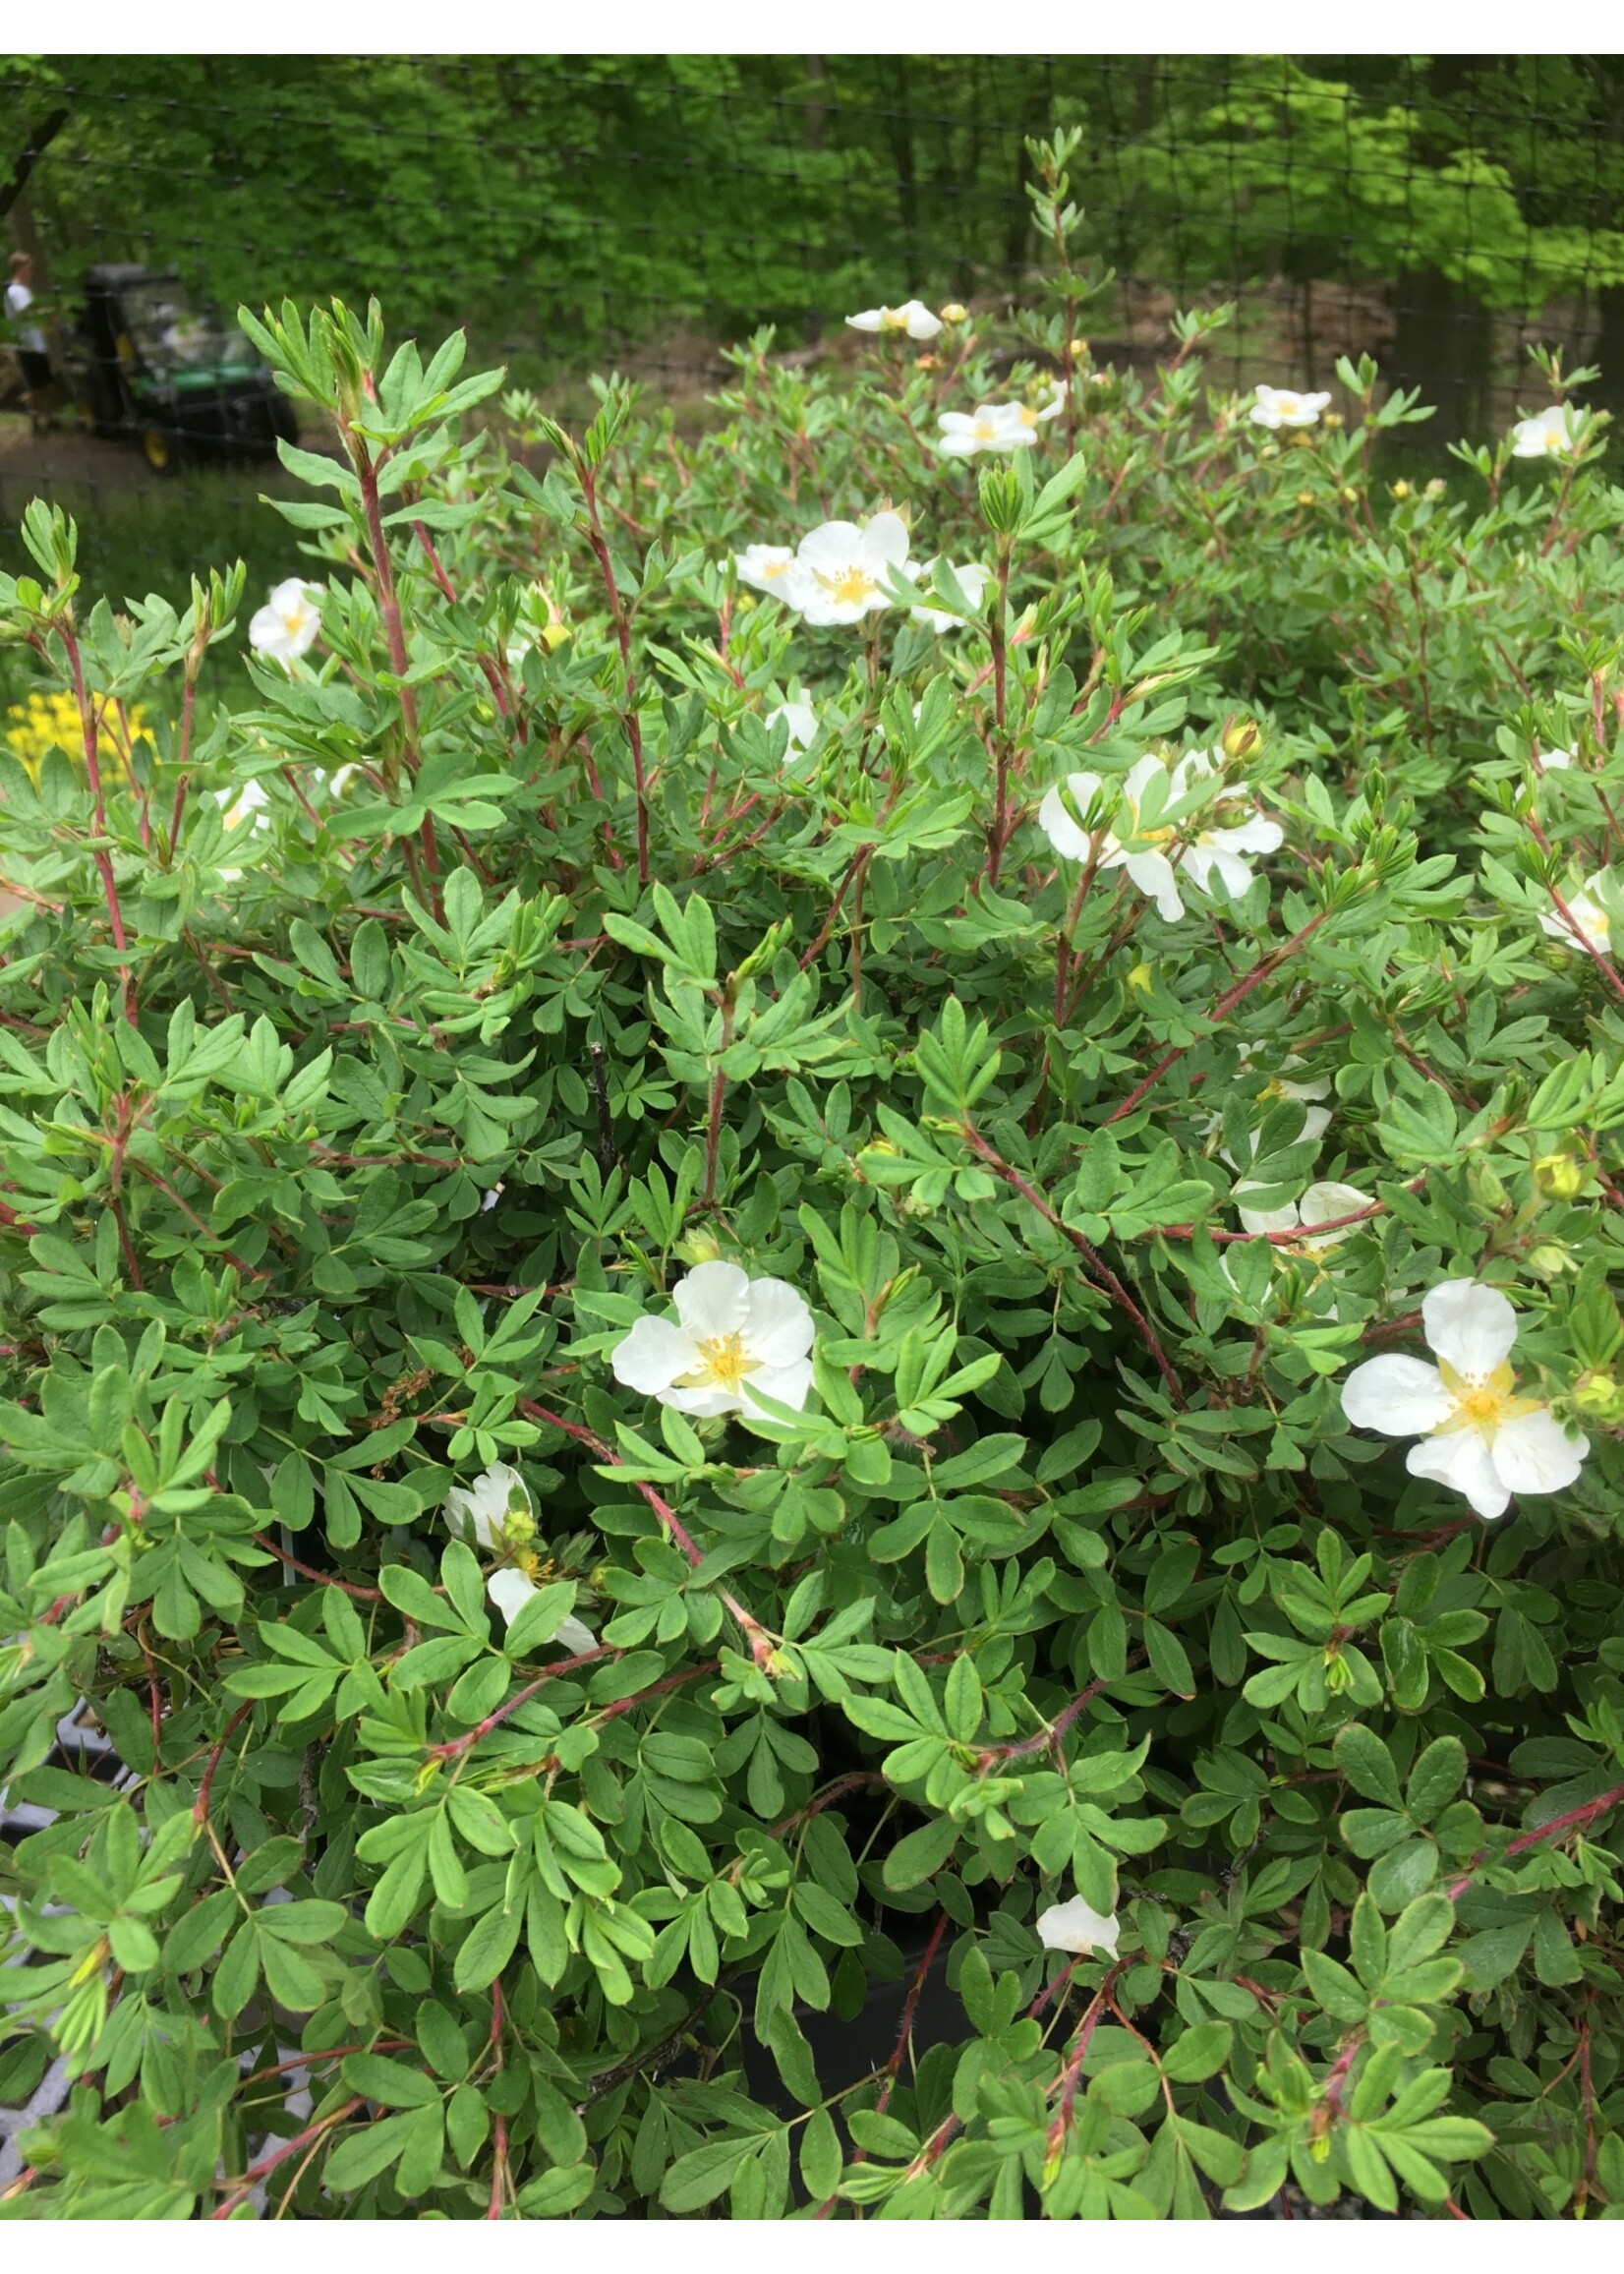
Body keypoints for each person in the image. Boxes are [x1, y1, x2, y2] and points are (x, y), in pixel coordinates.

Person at [4, 250, 53, 404]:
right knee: (37, 388)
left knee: (43, 385)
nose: (31, 272)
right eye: (29, 268)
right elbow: (28, 313)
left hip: (33, 345)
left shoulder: (21, 290)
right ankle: (24, 408)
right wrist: (50, 312)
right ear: (20, 268)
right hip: (28, 347)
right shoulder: (17, 291)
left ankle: (39, 414)